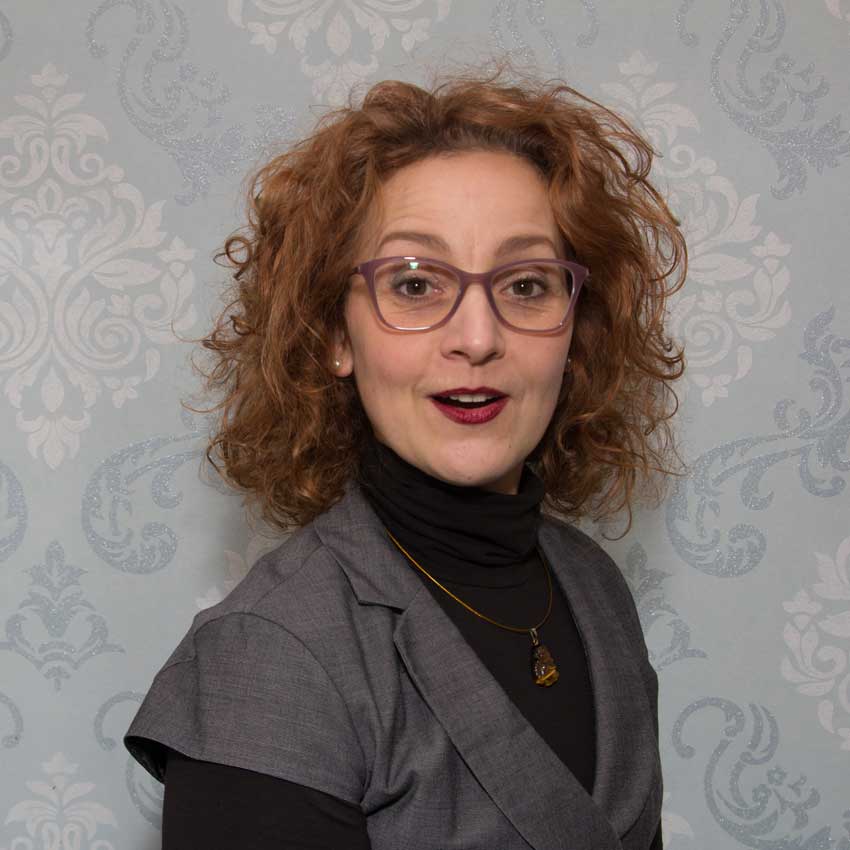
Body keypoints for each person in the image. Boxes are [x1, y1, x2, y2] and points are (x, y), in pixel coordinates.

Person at [124, 59, 686, 849]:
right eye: (416, 284)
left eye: (527, 284)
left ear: (576, 329)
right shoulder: (270, 657)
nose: (478, 338)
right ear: (334, 335)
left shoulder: (594, 586)